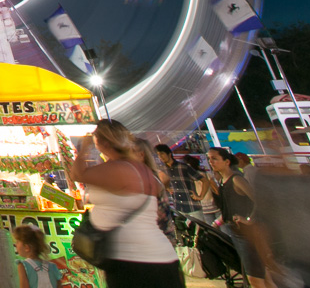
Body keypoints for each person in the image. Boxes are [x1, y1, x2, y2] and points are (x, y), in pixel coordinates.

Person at [69, 120, 182, 288]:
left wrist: (84, 148)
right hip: (154, 257)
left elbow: (78, 174)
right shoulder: (139, 169)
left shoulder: (120, 169)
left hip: (134, 260)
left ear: (102, 141)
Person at [207, 148, 270, 288]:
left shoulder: (236, 179)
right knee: (263, 279)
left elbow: (260, 201)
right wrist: (217, 223)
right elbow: (229, 209)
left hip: (247, 234)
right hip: (238, 233)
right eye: (209, 159)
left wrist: (249, 219)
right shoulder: (224, 181)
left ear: (227, 161)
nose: (211, 162)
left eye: (214, 158)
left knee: (256, 280)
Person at [155, 145, 197, 215]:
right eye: (158, 155)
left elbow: (203, 180)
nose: (161, 157)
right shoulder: (162, 170)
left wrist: (200, 196)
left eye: (162, 154)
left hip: (192, 206)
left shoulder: (183, 166)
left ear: (169, 154)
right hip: (178, 207)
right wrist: (167, 188)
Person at [187, 155, 221, 225]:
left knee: (211, 227)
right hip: (214, 203)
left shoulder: (189, 178)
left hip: (202, 205)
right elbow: (215, 189)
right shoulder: (206, 174)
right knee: (221, 225)